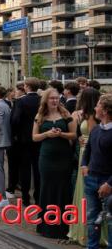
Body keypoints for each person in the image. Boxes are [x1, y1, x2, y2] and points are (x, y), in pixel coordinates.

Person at [32, 88, 76, 239]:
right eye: (51, 98)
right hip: (46, 159)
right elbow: (35, 137)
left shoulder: (66, 114)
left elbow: (74, 134)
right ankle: (46, 227)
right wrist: (47, 134)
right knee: (47, 189)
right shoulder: (40, 115)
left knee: (63, 189)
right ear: (46, 100)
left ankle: (63, 228)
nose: (55, 101)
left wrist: (61, 134)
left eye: (57, 98)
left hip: (64, 158)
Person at [68, 88, 103, 246]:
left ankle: (85, 233)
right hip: (88, 150)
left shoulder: (87, 116)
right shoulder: (91, 115)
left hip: (87, 154)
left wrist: (83, 138)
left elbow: (87, 135)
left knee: (85, 193)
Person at [82, 93, 112, 249]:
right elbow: (87, 150)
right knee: (92, 218)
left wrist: (109, 183)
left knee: (110, 220)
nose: (95, 107)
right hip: (91, 179)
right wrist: (84, 166)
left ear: (105, 110)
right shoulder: (95, 130)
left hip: (107, 182)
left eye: (98, 105)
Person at [11, 77, 41, 206]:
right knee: (37, 168)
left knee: (25, 169)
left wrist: (16, 135)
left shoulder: (21, 101)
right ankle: (38, 196)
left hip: (24, 140)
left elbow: (15, 120)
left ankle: (25, 197)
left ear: (26, 87)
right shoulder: (42, 100)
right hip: (40, 138)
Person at [6, 82, 26, 198]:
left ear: (21, 91)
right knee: (24, 166)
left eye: (16, 91)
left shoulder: (19, 102)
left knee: (13, 165)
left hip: (16, 139)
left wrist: (13, 135)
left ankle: (11, 188)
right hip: (26, 140)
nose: (15, 93)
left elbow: (14, 120)